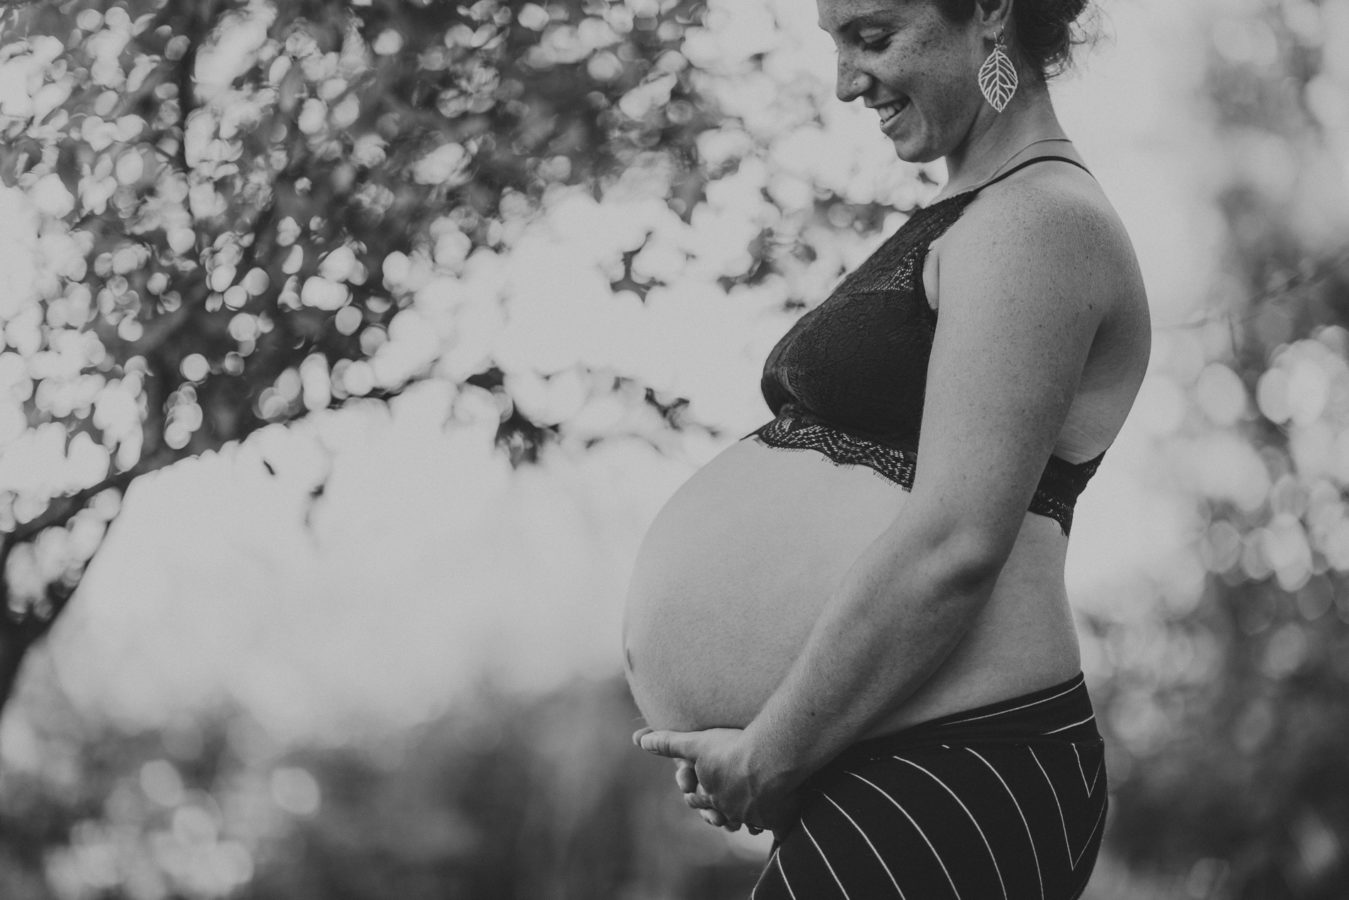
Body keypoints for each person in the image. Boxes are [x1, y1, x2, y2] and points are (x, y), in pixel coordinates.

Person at [621, 0, 1152, 896]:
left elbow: (954, 542)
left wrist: (771, 749)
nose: (843, 83)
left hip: (956, 768)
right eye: (834, 45)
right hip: (887, 755)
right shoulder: (975, 212)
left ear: (989, 12)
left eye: (872, 39)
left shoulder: (1042, 221)